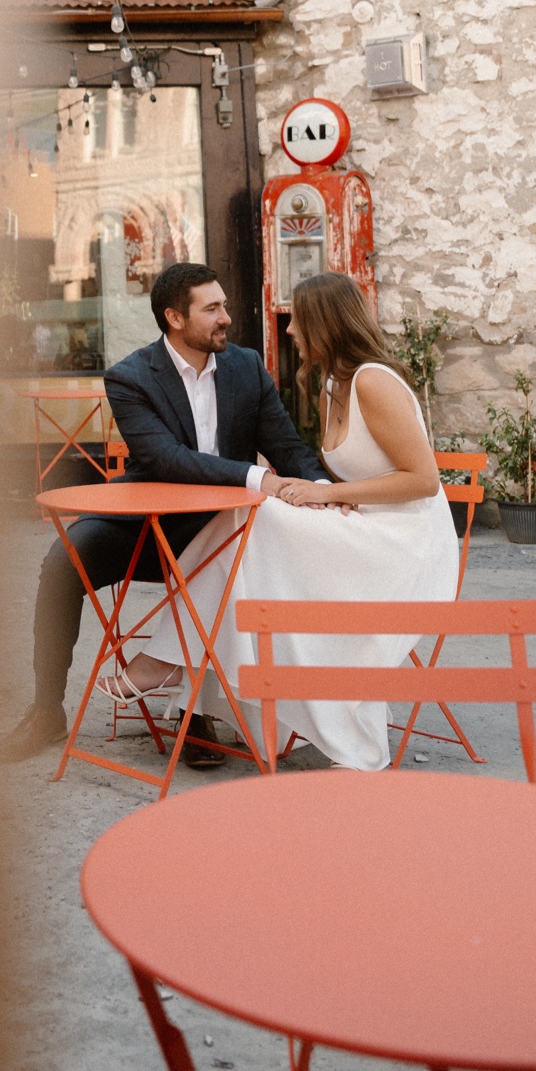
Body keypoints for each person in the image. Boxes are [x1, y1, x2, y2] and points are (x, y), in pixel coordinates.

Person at [105, 270, 458, 772]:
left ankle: (169, 661)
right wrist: (320, 498)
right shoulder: (331, 386)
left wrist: (328, 495)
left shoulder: (373, 383)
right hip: (359, 526)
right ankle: (189, 678)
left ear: (325, 325)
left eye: (297, 321)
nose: (288, 331)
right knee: (244, 528)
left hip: (404, 543)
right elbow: (305, 464)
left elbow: (423, 481)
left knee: (252, 519)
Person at [0, 261, 327, 765]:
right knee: (63, 563)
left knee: (231, 555)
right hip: (151, 525)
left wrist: (322, 489)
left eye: (225, 306)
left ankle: (193, 714)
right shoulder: (130, 377)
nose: (226, 318)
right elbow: (165, 459)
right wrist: (259, 478)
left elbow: (287, 446)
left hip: (224, 530)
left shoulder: (245, 368)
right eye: (212, 309)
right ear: (175, 317)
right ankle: (46, 711)